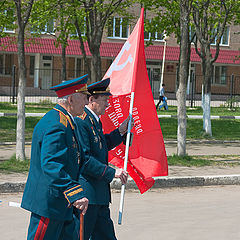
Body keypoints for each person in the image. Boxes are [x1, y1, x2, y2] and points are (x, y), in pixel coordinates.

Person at [21, 75, 90, 240]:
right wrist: (75, 194)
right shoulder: (56, 124)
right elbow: (52, 165)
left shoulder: (64, 121)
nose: (87, 102)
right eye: (85, 97)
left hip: (60, 203)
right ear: (71, 99)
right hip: (49, 203)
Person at [74, 78, 133, 240]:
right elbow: (85, 160)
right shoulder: (82, 122)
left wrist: (120, 131)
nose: (108, 104)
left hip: (99, 195)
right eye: (105, 100)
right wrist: (112, 172)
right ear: (91, 100)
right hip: (88, 195)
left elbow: (101, 145)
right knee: (81, 236)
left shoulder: (94, 121)